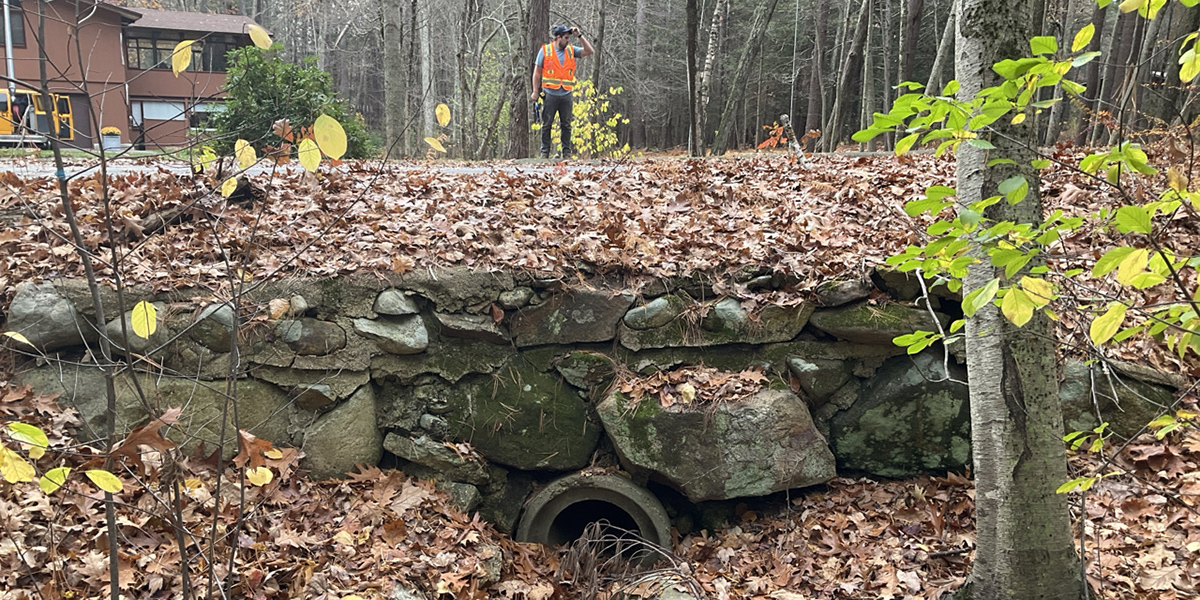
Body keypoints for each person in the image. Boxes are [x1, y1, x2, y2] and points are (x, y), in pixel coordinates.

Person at [531, 24, 593, 158]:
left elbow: (589, 51)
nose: (568, 40)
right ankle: (544, 153)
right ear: (558, 37)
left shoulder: (571, 50)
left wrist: (580, 36)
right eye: (566, 37)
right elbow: (537, 73)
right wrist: (535, 91)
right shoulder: (545, 51)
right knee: (546, 124)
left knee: (566, 124)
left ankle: (566, 153)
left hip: (566, 94)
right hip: (550, 94)